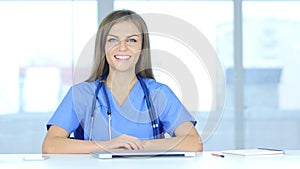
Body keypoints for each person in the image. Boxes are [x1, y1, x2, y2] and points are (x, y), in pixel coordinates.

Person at [42, 9, 203, 154]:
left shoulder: (158, 94)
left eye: (131, 40)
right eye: (113, 40)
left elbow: (194, 142)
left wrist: (140, 145)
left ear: (142, 47)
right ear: (103, 47)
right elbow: (50, 145)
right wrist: (107, 146)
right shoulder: (81, 94)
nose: (122, 47)